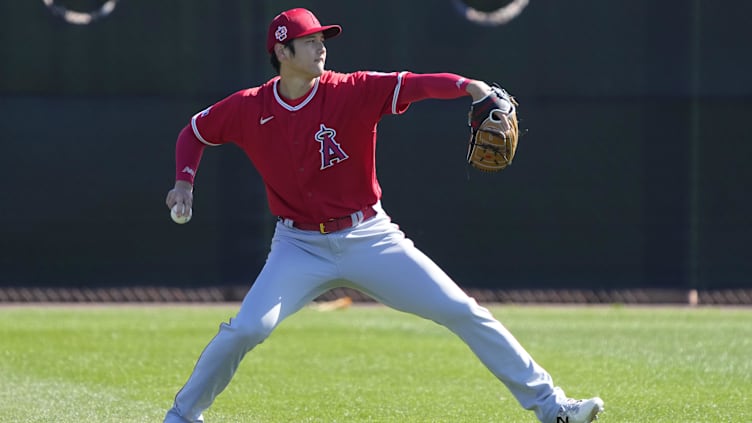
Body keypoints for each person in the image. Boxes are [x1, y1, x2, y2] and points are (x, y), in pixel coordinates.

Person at [163, 7, 604, 423]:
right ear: (282, 52)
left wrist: (472, 87)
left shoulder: (351, 90)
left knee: (462, 311)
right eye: (310, 41)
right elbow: (194, 132)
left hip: (369, 236)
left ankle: (552, 407)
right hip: (297, 246)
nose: (322, 48)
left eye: (323, 40)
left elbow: (417, 83)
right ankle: (182, 415)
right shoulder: (249, 107)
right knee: (245, 331)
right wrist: (184, 181)